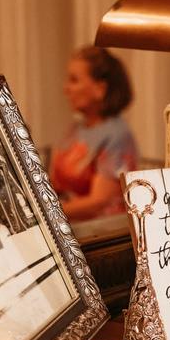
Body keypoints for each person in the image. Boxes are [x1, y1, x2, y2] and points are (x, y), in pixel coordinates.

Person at [50, 46, 137, 220]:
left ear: (100, 89)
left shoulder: (118, 135)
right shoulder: (76, 128)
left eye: (74, 80)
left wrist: (46, 214)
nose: (66, 89)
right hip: (69, 222)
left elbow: (98, 202)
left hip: (100, 231)